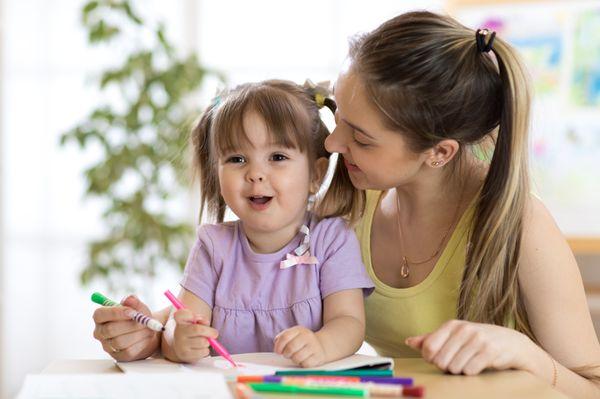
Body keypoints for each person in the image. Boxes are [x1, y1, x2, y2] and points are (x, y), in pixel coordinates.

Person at [322, 10, 600, 398]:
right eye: (337, 115)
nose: (333, 143)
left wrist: (523, 353)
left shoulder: (520, 224)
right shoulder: (348, 203)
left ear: (439, 152)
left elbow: (591, 389)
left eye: (362, 138)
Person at [95, 79, 374, 368]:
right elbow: (180, 321)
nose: (255, 174)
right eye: (237, 158)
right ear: (217, 173)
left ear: (316, 174)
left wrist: (322, 345)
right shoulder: (214, 245)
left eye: (277, 157)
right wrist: (180, 341)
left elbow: (349, 321)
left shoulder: (332, 239)